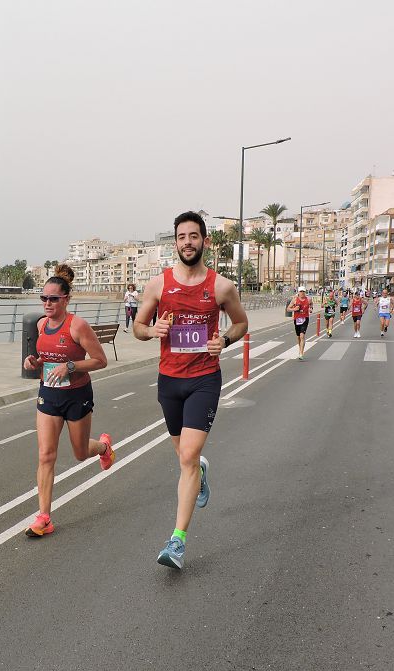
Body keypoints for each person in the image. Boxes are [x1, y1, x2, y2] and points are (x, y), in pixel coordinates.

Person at [132, 211, 248, 570]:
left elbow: (241, 322)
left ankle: (177, 543)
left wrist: (224, 340)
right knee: (184, 457)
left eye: (194, 236)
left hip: (203, 379)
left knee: (186, 457)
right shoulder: (158, 285)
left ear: (204, 242)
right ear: (175, 242)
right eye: (181, 237)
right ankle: (200, 471)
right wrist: (152, 332)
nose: (187, 242)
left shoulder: (221, 287)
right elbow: (137, 325)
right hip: (169, 381)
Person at [22, 264, 116, 537]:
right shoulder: (41, 325)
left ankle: (103, 447)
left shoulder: (78, 326)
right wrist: (35, 363)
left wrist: (71, 367)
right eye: (43, 298)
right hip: (49, 393)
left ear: (66, 299)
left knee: (78, 453)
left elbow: (100, 360)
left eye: (53, 299)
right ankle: (44, 517)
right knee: (46, 455)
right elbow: (44, 360)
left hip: (77, 395)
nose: (47, 303)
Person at [288, 286, 312, 359]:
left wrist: (311, 309)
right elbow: (288, 309)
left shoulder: (308, 299)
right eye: (301, 291)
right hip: (297, 319)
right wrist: (294, 309)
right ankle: (300, 348)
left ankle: (301, 353)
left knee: (302, 336)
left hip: (305, 319)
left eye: (303, 291)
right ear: (298, 292)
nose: (302, 293)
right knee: (298, 337)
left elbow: (311, 304)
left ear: (305, 292)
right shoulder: (295, 300)